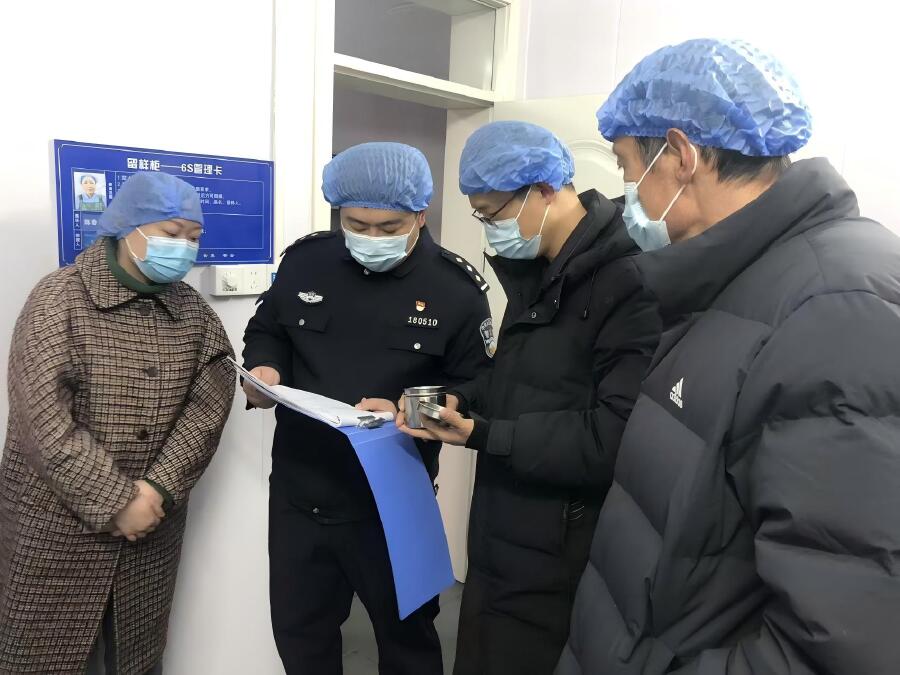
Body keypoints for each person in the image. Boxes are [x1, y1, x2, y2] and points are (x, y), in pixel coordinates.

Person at [557, 39, 900, 675]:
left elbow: (841, 642)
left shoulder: (835, 311)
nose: (626, 195)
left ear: (679, 156)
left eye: (628, 169)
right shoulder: (737, 282)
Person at [397, 121, 660, 675]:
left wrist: (487, 435)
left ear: (543, 189)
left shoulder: (627, 279)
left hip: (564, 550)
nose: (490, 231)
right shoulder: (539, 269)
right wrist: (453, 399)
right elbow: (516, 380)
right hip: (505, 532)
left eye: (492, 214)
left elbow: (618, 435)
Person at [242, 141, 493, 675]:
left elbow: (478, 384)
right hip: (300, 492)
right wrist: (265, 370)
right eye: (357, 224)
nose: (371, 238)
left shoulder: (454, 289)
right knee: (300, 633)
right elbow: (267, 330)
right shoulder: (306, 261)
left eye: (389, 227)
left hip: (393, 498)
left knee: (409, 641)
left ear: (420, 216)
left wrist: (410, 409)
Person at [0, 171, 235, 674]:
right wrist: (117, 501)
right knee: (44, 655)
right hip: (56, 522)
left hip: (152, 522)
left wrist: (158, 489)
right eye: (171, 234)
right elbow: (41, 417)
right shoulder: (59, 298)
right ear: (129, 226)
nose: (184, 248)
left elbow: (209, 406)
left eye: (193, 238)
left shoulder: (194, 312)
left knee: (135, 655)